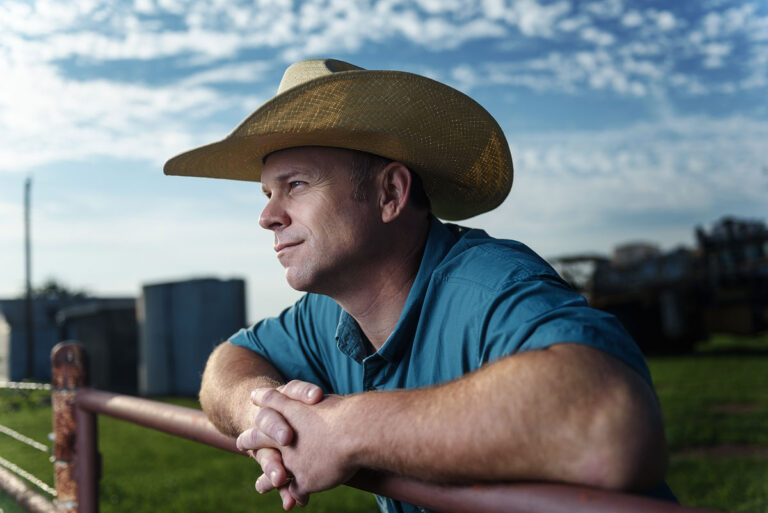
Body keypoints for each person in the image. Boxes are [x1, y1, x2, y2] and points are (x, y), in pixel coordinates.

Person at [164, 58, 671, 512]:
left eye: (296, 185)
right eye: (268, 193)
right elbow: (228, 363)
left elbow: (611, 428)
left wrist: (346, 428)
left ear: (390, 193)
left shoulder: (488, 285)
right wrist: (269, 414)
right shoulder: (331, 312)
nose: (268, 216)